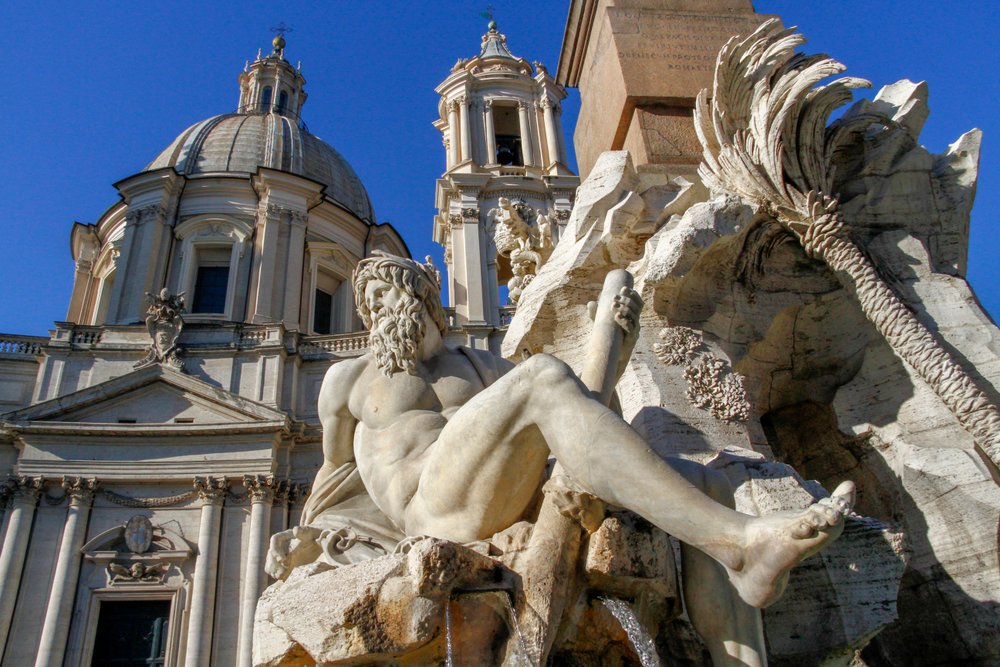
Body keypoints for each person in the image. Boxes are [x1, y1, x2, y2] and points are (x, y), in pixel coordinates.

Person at [268, 252, 853, 665]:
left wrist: (609, 341)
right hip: (431, 508)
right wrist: (310, 544)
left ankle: (744, 614)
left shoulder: (479, 366)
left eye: (388, 291)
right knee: (543, 375)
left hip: (508, 495)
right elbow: (333, 476)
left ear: (423, 296)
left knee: (708, 484)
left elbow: (577, 419)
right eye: (368, 300)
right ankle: (742, 543)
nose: (376, 309)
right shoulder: (348, 378)